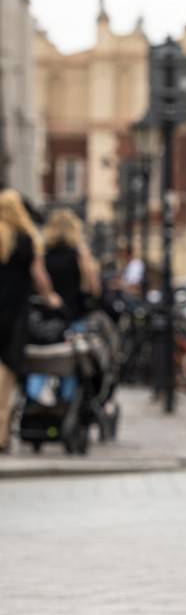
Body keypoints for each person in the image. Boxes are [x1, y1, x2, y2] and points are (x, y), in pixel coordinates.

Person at [0, 189, 62, 453]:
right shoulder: (26, 240)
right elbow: (40, 279)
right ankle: (1, 434)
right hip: (13, 316)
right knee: (6, 378)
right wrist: (52, 299)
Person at [24, 210, 102, 407]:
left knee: (41, 363)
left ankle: (34, 399)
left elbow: (39, 285)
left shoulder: (42, 255)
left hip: (46, 319)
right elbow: (93, 288)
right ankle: (65, 404)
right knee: (71, 365)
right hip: (74, 318)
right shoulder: (78, 256)